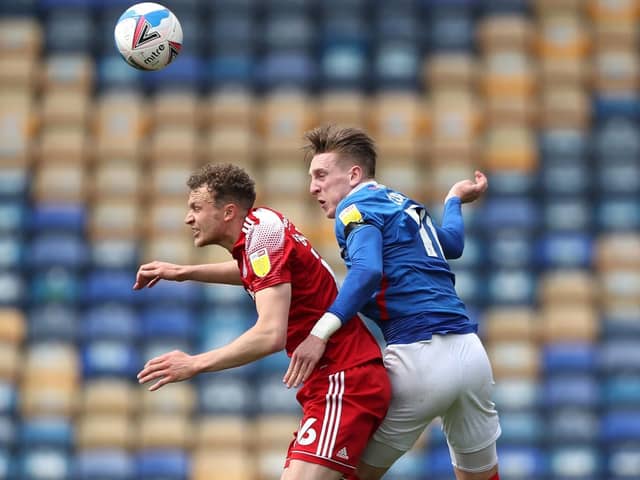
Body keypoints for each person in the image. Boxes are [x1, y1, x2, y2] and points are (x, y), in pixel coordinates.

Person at [133, 163, 391, 480]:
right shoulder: (262, 224)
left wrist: (195, 364)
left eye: (196, 208)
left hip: (344, 379)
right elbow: (260, 271)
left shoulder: (263, 238)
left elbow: (270, 334)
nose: (189, 218)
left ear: (228, 212)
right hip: (337, 379)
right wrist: (184, 272)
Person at [283, 125, 501, 480]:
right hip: (471, 354)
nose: (313, 188)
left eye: (322, 175)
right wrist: (454, 200)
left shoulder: (354, 207)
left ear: (354, 174)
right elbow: (453, 244)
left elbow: (367, 271)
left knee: (339, 474)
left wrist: (320, 332)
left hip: (420, 355)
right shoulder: (404, 204)